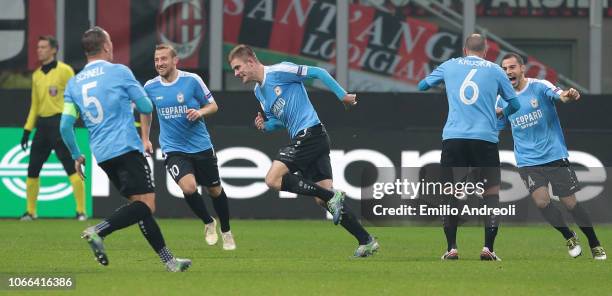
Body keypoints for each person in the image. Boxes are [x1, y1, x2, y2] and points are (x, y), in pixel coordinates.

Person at [227, 44, 379, 257]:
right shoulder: (258, 92)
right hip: (310, 137)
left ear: (251, 62)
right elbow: (281, 122)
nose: (236, 73)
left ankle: (333, 196)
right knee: (322, 199)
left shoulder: (279, 71)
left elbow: (319, 72)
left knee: (272, 179)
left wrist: (342, 95)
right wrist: (266, 125)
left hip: (311, 133)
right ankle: (366, 240)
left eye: (237, 67)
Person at [59, 26, 191, 271]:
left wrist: (77, 155)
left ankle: (170, 262)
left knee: (139, 207)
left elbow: (65, 126)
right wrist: (143, 132)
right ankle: (97, 231)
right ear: (107, 47)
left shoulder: (74, 83)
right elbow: (144, 104)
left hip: (102, 153)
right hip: (126, 147)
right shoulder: (119, 72)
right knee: (147, 205)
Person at [417, 34, 520, 261]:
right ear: (485, 51)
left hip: (454, 137)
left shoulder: (449, 65)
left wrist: (445, 82)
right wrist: (500, 113)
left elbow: (422, 85)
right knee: (490, 194)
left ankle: (452, 248)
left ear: (465, 50)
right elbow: (515, 103)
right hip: (485, 138)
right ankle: (488, 249)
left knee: (450, 194)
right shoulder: (495, 70)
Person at [496, 52, 606, 260]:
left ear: (522, 69)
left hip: (554, 155)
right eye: (504, 69)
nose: (508, 72)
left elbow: (560, 95)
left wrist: (568, 95)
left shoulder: (539, 86)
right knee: (541, 202)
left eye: (512, 67)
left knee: (570, 203)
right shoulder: (502, 98)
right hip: (527, 160)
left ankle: (594, 243)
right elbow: (497, 123)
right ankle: (569, 235)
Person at [140, 44, 235, 250]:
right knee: (188, 187)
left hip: (201, 146)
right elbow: (146, 111)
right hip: (173, 148)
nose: (159, 63)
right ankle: (209, 222)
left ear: (175, 61)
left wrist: (200, 112)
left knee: (214, 190)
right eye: (156, 60)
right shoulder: (150, 86)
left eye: (164, 59)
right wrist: (145, 138)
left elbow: (213, 105)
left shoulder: (192, 81)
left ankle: (226, 231)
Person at [20, 35, 86, 221]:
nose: (39, 50)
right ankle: (31, 212)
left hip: (60, 125)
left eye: (43, 47)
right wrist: (27, 130)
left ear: (54, 49)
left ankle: (81, 211)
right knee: (33, 169)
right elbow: (34, 105)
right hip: (42, 126)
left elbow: (77, 97)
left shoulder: (65, 71)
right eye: (38, 47)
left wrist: (73, 119)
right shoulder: (36, 75)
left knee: (71, 168)